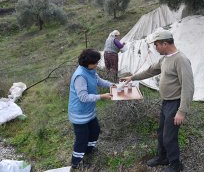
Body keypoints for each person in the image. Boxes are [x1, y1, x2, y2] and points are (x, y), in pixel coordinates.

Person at [120, 30, 194, 172]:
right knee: (161, 133)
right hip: (166, 102)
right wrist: (132, 78)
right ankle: (163, 157)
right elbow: (151, 70)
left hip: (175, 103)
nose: (155, 48)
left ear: (165, 43)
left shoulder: (181, 60)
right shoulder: (165, 58)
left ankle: (176, 165)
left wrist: (182, 111)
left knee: (169, 136)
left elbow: (188, 86)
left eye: (156, 45)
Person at [68, 49, 114, 171]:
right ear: (88, 63)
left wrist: (112, 85)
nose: (97, 65)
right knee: (81, 138)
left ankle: (88, 151)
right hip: (79, 113)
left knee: (95, 130)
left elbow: (99, 81)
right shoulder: (80, 76)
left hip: (89, 111)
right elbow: (83, 97)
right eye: (95, 62)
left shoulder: (91, 70)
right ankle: (76, 162)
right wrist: (101, 96)